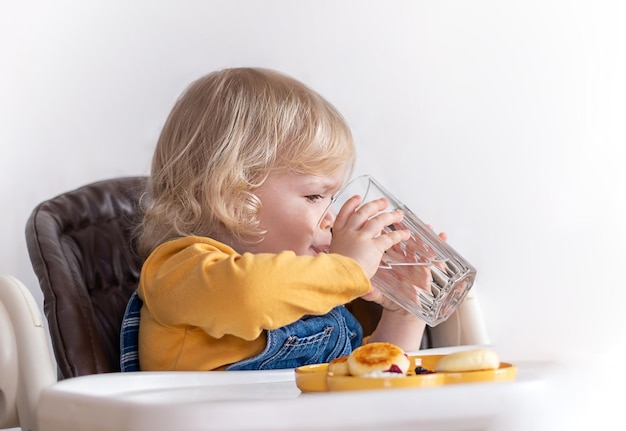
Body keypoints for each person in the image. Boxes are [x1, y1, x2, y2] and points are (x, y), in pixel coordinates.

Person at [134, 67, 431, 371]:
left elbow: (371, 379)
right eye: (315, 196)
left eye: (333, 197)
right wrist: (348, 268)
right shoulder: (179, 272)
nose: (331, 217)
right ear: (233, 196)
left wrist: (404, 314)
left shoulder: (306, 295)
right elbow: (251, 294)